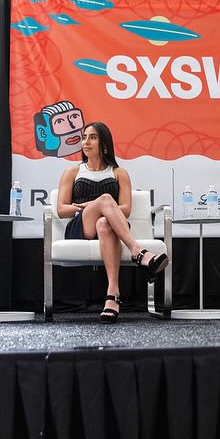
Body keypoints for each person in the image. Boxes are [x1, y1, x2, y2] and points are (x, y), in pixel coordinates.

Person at [55, 122, 168, 323]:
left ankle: (112, 296)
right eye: (84, 137)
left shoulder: (119, 173)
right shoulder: (73, 172)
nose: (86, 142)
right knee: (106, 200)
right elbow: (62, 210)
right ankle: (139, 253)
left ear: (105, 145)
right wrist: (91, 205)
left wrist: (103, 208)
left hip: (111, 226)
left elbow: (126, 209)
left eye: (92, 137)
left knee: (105, 224)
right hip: (82, 226)